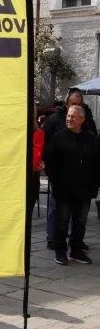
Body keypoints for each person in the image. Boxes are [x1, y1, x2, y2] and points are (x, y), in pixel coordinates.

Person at [44, 104, 100, 265]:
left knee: (80, 222)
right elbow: (49, 162)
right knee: (62, 221)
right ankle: (60, 251)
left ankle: (76, 250)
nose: (69, 119)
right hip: (63, 189)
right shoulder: (58, 138)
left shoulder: (91, 139)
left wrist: (95, 184)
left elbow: (97, 163)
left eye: (73, 117)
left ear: (82, 119)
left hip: (84, 190)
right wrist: (56, 181)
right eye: (68, 116)